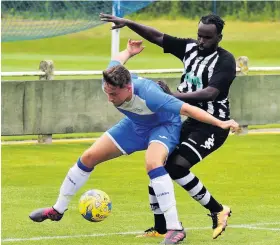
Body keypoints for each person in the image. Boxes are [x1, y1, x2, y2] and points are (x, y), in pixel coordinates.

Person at [29, 39, 238, 244]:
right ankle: (57, 210)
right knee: (88, 157)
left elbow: (188, 109)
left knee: (153, 163)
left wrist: (220, 123)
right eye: (107, 92)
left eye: (114, 94)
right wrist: (128, 52)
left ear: (128, 87)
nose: (109, 98)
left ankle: (175, 228)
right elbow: (117, 59)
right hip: (135, 125)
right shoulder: (111, 77)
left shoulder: (150, 94)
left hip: (163, 127)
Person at [99, 13, 237, 239]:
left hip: (213, 125)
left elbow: (211, 92)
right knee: (159, 167)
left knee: (176, 167)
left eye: (207, 38)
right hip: (192, 121)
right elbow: (158, 37)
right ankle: (161, 227)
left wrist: (174, 96)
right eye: (199, 36)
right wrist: (129, 23)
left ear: (219, 37)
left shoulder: (225, 61)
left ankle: (218, 210)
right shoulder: (190, 48)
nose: (201, 42)